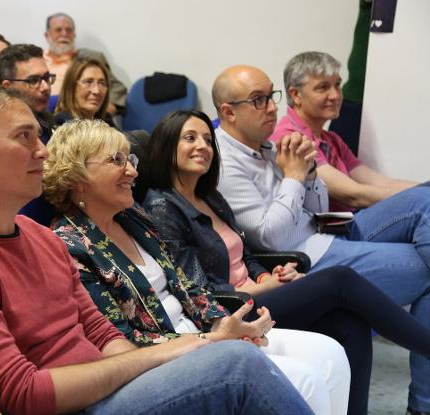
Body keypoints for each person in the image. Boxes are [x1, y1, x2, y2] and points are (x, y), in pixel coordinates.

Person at [0, 85, 314, 415]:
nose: (42, 150)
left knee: (248, 357)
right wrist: (178, 352)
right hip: (73, 407)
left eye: (39, 136)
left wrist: (183, 350)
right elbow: (20, 395)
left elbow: (101, 333)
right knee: (236, 368)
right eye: (24, 137)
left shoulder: (36, 233)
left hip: (107, 389)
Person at [45, 119, 352, 415]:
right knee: (306, 381)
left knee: (329, 355)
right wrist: (212, 339)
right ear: (77, 177)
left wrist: (223, 324)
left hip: (202, 333)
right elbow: (121, 344)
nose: (132, 170)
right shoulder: (69, 247)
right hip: (157, 362)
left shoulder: (133, 218)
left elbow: (186, 284)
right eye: (116, 160)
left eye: (130, 158)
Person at [140, 109, 430, 415]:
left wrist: (268, 275)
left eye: (207, 139)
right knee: (339, 279)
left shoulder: (209, 197)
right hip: (230, 312)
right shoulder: (162, 207)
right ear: (167, 146)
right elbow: (197, 290)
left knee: (351, 324)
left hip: (257, 293)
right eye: (190, 138)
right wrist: (264, 288)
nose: (203, 146)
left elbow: (247, 255)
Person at [212, 65, 430, 415]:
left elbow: (316, 210)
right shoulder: (225, 163)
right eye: (258, 100)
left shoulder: (267, 146)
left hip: (325, 234)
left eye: (271, 96)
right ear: (228, 112)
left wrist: (310, 175)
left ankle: (423, 405)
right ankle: (423, 405)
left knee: (425, 198)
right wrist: (295, 177)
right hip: (304, 257)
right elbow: (270, 237)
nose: (271, 107)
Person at [271, 51, 417, 211]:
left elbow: (382, 183)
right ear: (296, 95)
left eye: (337, 85)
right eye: (323, 87)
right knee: (420, 209)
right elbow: (353, 196)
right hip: (325, 233)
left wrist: (424, 189)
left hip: (350, 223)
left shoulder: (331, 139)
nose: (335, 95)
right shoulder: (290, 137)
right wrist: (420, 196)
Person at [44, 12, 127, 115]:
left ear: (74, 35)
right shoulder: (37, 60)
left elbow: (117, 87)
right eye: (58, 30)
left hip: (77, 114)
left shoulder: (90, 57)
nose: (64, 34)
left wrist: (108, 105)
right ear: (47, 35)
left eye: (69, 30)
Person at [0, 43, 55, 143]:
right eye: (33, 80)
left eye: (46, 78)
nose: (45, 87)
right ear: (8, 87)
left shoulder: (50, 122)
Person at [54, 55, 115, 127]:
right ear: (71, 86)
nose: (97, 91)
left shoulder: (105, 119)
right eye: (88, 82)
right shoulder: (63, 122)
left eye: (102, 83)